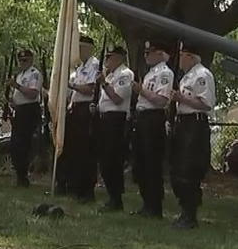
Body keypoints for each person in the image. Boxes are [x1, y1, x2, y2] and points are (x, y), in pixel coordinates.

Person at [169, 43, 214, 229]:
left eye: (182, 56)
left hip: (194, 125)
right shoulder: (187, 76)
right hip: (183, 123)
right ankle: (184, 210)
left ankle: (190, 215)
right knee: (178, 168)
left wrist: (181, 98)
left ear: (190, 56)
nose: (179, 60)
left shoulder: (202, 75)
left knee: (189, 168)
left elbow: (206, 104)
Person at [131, 40, 174, 218]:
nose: (146, 56)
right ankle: (146, 202)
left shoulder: (165, 73)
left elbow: (161, 100)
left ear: (159, 54)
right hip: (142, 118)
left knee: (151, 163)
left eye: (149, 53)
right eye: (145, 53)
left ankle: (154, 206)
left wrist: (141, 90)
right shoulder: (150, 74)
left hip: (153, 119)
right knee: (140, 163)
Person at [55, 35, 100, 202]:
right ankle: (74, 185)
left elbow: (89, 89)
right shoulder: (80, 67)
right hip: (75, 109)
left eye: (81, 48)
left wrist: (70, 85)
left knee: (85, 151)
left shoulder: (94, 65)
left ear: (88, 48)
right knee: (74, 150)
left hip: (86, 110)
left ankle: (86, 189)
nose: (79, 51)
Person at [96, 45, 135, 211]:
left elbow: (117, 98)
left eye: (109, 58)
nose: (106, 61)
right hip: (104, 119)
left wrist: (104, 83)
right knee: (105, 159)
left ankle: (116, 198)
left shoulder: (125, 74)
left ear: (119, 58)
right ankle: (111, 195)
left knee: (113, 159)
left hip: (116, 120)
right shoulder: (111, 76)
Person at [7, 48, 43, 187]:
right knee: (16, 144)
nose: (22, 62)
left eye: (25, 60)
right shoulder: (20, 74)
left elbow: (33, 93)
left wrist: (16, 86)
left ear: (31, 60)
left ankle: (24, 176)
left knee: (25, 144)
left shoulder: (34, 74)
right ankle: (19, 174)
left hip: (29, 111)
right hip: (20, 110)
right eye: (20, 60)